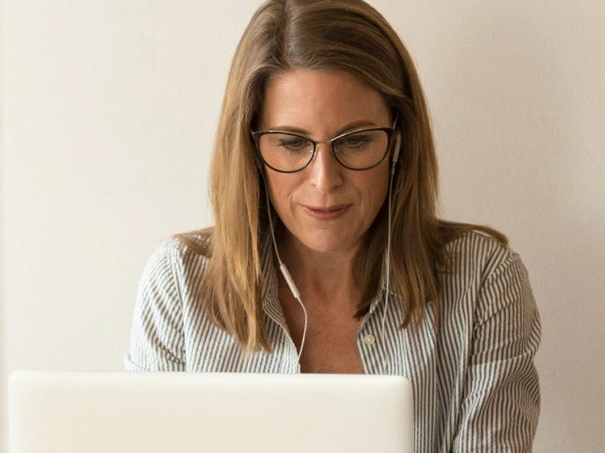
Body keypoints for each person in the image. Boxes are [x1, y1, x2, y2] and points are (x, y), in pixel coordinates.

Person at [123, 0, 541, 451]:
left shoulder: (482, 283)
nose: (325, 181)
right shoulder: (180, 285)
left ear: (399, 137)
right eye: (291, 143)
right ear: (250, 149)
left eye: (355, 141)